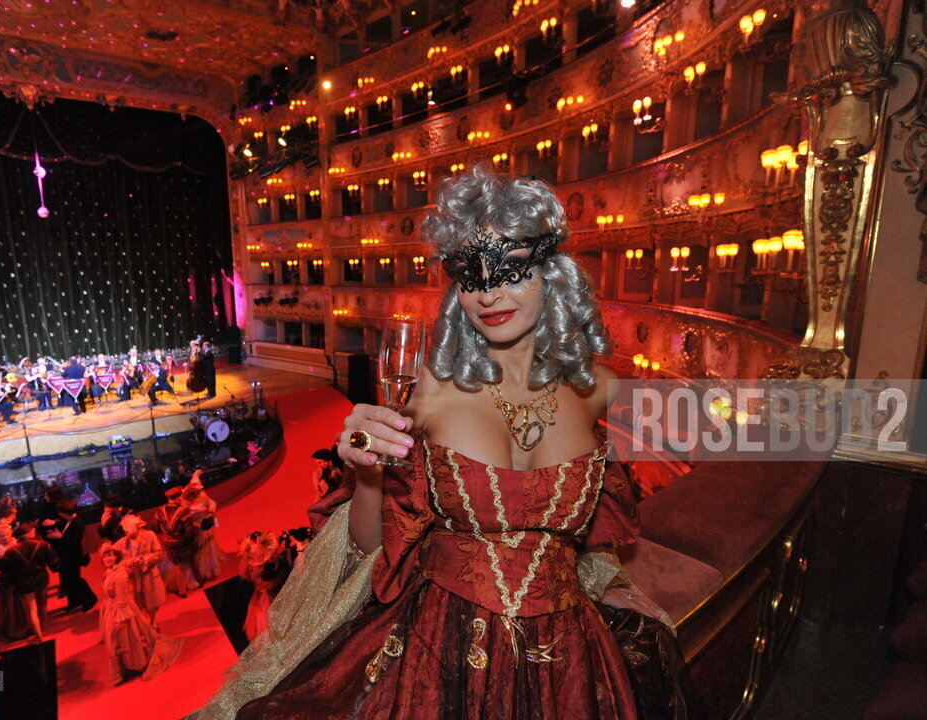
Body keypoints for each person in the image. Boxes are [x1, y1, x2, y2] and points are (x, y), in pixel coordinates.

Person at [194, 166, 686, 720]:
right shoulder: (431, 389)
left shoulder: (601, 388)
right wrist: (367, 472)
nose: (488, 292)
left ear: (552, 273)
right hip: (437, 651)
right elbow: (370, 545)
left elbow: (606, 530)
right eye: (470, 275)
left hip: (568, 658)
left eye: (511, 268)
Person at [98, 543, 184, 685]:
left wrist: (120, 616)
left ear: (115, 557)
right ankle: (125, 666)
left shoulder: (119, 574)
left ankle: (136, 664)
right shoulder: (109, 572)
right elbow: (129, 561)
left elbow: (121, 599)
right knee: (117, 639)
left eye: (110, 556)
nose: (107, 559)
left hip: (122, 609)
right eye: (105, 557)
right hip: (111, 608)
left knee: (124, 636)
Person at [1, 522, 60, 642]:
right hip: (41, 579)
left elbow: (7, 572)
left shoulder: (10, 552)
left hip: (23, 582)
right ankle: (42, 628)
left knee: (31, 609)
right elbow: (54, 564)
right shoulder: (42, 545)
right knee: (42, 605)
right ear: (29, 534)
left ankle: (38, 634)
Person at [114, 513, 167, 626]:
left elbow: (159, 553)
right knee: (136, 602)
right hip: (133, 577)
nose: (127, 534)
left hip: (149, 575)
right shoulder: (122, 542)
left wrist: (146, 560)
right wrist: (127, 563)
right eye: (125, 532)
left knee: (152, 602)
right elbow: (113, 555)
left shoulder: (150, 535)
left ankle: (153, 622)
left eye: (129, 531)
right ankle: (143, 624)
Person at [48, 499, 98, 612]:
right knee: (69, 580)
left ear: (64, 513)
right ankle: (74, 601)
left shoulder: (77, 523)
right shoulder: (71, 520)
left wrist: (59, 537)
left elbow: (74, 542)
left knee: (75, 579)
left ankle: (90, 599)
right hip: (69, 555)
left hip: (73, 556)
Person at [156, 486, 199, 596]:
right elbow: (190, 530)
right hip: (183, 543)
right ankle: (197, 581)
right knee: (191, 561)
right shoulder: (183, 511)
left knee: (177, 567)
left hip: (169, 545)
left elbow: (155, 527)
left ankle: (182, 590)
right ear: (178, 498)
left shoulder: (160, 510)